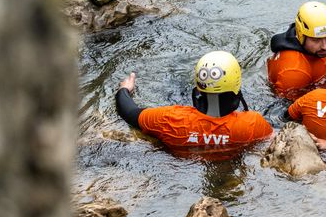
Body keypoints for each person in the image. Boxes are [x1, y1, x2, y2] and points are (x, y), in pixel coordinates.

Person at [116, 50, 272, 156]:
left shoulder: (169, 118)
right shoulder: (253, 124)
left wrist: (124, 90)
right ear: (237, 84)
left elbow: (128, 112)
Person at [267, 1, 326, 100]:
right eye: (316, 40)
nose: (325, 46)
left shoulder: (317, 37)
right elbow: (289, 111)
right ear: (301, 35)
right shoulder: (294, 73)